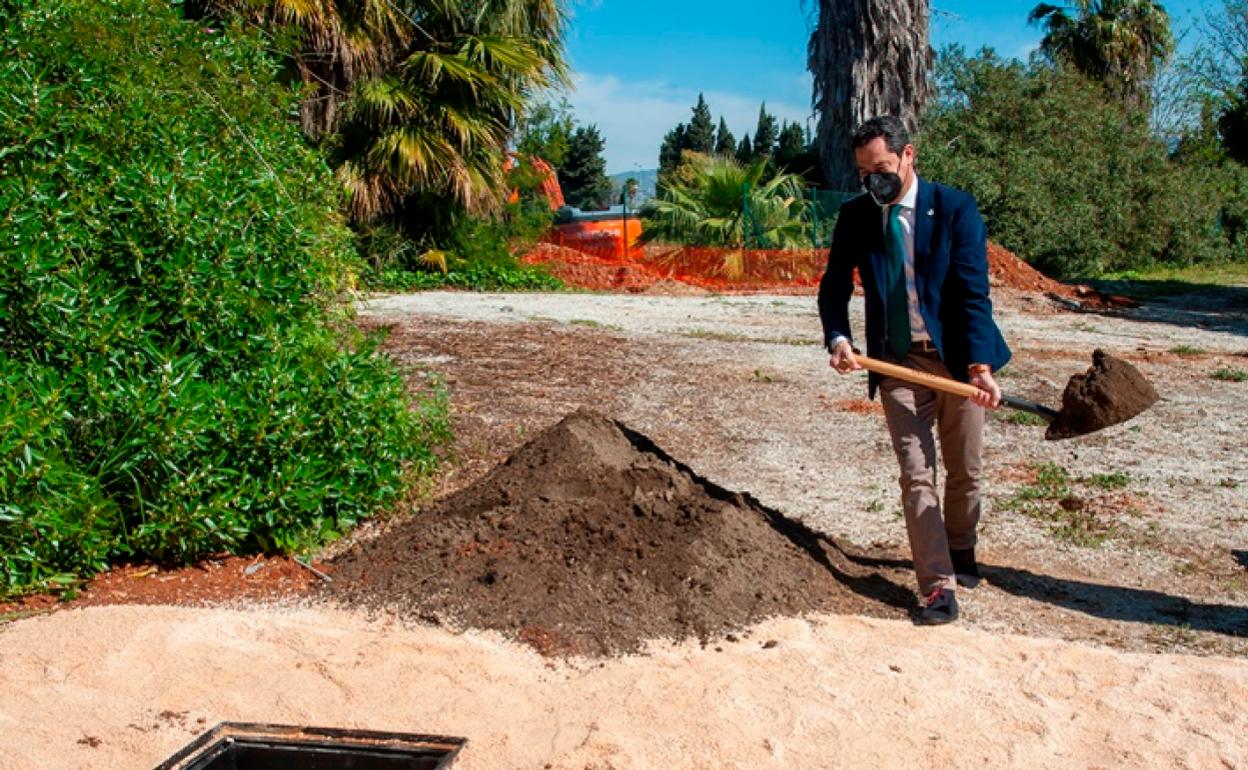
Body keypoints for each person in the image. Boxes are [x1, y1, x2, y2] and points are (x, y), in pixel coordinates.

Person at [818, 115, 1011, 625]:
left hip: (956, 360)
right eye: (863, 172)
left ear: (909, 156)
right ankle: (937, 586)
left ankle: (961, 545)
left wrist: (978, 366)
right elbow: (834, 286)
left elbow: (973, 293)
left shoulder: (954, 209)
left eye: (880, 167)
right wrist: (839, 338)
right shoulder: (856, 216)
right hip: (896, 360)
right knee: (916, 473)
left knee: (965, 470)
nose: (872, 180)